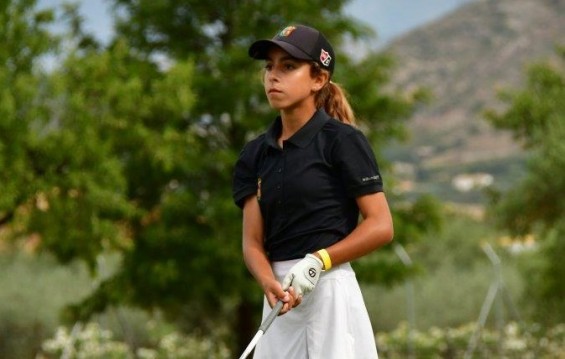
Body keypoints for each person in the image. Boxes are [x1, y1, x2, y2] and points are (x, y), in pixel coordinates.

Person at [232, 24, 394, 358]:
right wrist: (267, 282)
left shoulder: (343, 141)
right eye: (269, 67)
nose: (273, 76)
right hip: (278, 301)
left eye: (288, 67)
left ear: (318, 80)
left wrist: (320, 261)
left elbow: (381, 225)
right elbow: (252, 242)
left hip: (330, 292)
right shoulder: (253, 154)